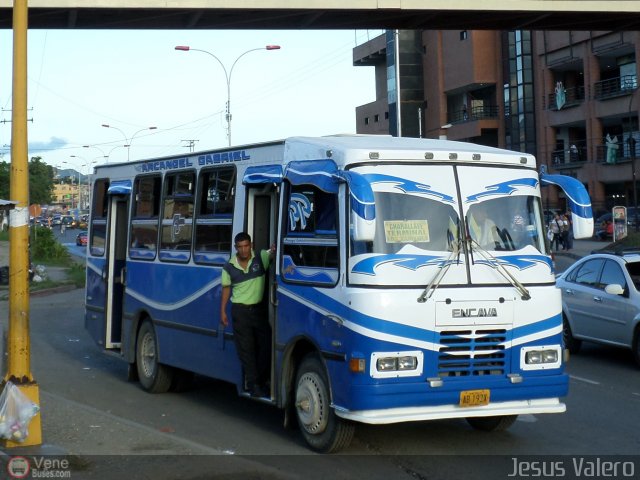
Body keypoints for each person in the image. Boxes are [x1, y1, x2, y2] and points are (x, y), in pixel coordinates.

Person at [220, 232, 275, 398]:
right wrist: (222, 310)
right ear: (236, 248)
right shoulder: (229, 267)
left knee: (266, 345)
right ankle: (254, 386)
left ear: (251, 245)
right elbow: (226, 289)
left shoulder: (260, 258)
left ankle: (261, 380)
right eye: (240, 247)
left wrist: (274, 249)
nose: (244, 250)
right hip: (240, 312)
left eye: (246, 246)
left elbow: (274, 251)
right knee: (247, 350)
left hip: (258, 311)